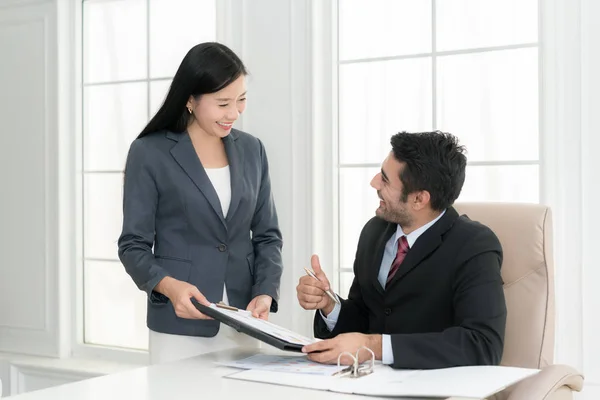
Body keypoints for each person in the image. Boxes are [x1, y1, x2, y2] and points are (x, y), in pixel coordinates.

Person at [118, 42, 283, 364]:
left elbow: (267, 236)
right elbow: (132, 245)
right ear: (191, 100)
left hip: (245, 322)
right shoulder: (150, 152)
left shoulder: (253, 150)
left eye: (241, 100)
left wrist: (265, 292)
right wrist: (169, 287)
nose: (234, 113)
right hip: (180, 327)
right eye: (223, 103)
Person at [297, 131, 507, 369]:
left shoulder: (474, 245)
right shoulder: (375, 231)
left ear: (419, 199)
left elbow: (482, 345)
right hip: (366, 383)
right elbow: (366, 320)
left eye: (385, 180)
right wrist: (329, 305)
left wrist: (376, 347)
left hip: (433, 386)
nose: (374, 182)